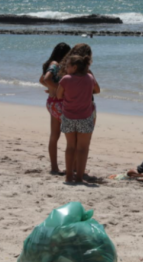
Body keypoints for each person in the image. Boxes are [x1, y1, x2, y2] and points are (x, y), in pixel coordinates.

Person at [57, 47, 101, 184]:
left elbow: (59, 95)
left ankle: (69, 176)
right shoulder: (89, 78)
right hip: (85, 117)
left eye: (68, 66)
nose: (66, 68)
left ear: (74, 67)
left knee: (70, 147)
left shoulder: (65, 79)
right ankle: (80, 177)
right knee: (83, 148)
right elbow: (97, 90)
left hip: (69, 116)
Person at [39, 42, 71, 176]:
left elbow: (41, 79)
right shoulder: (56, 64)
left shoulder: (51, 63)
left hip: (53, 103)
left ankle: (54, 167)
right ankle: (72, 167)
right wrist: (58, 89)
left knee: (54, 135)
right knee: (70, 136)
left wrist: (51, 88)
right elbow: (46, 78)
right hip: (59, 103)